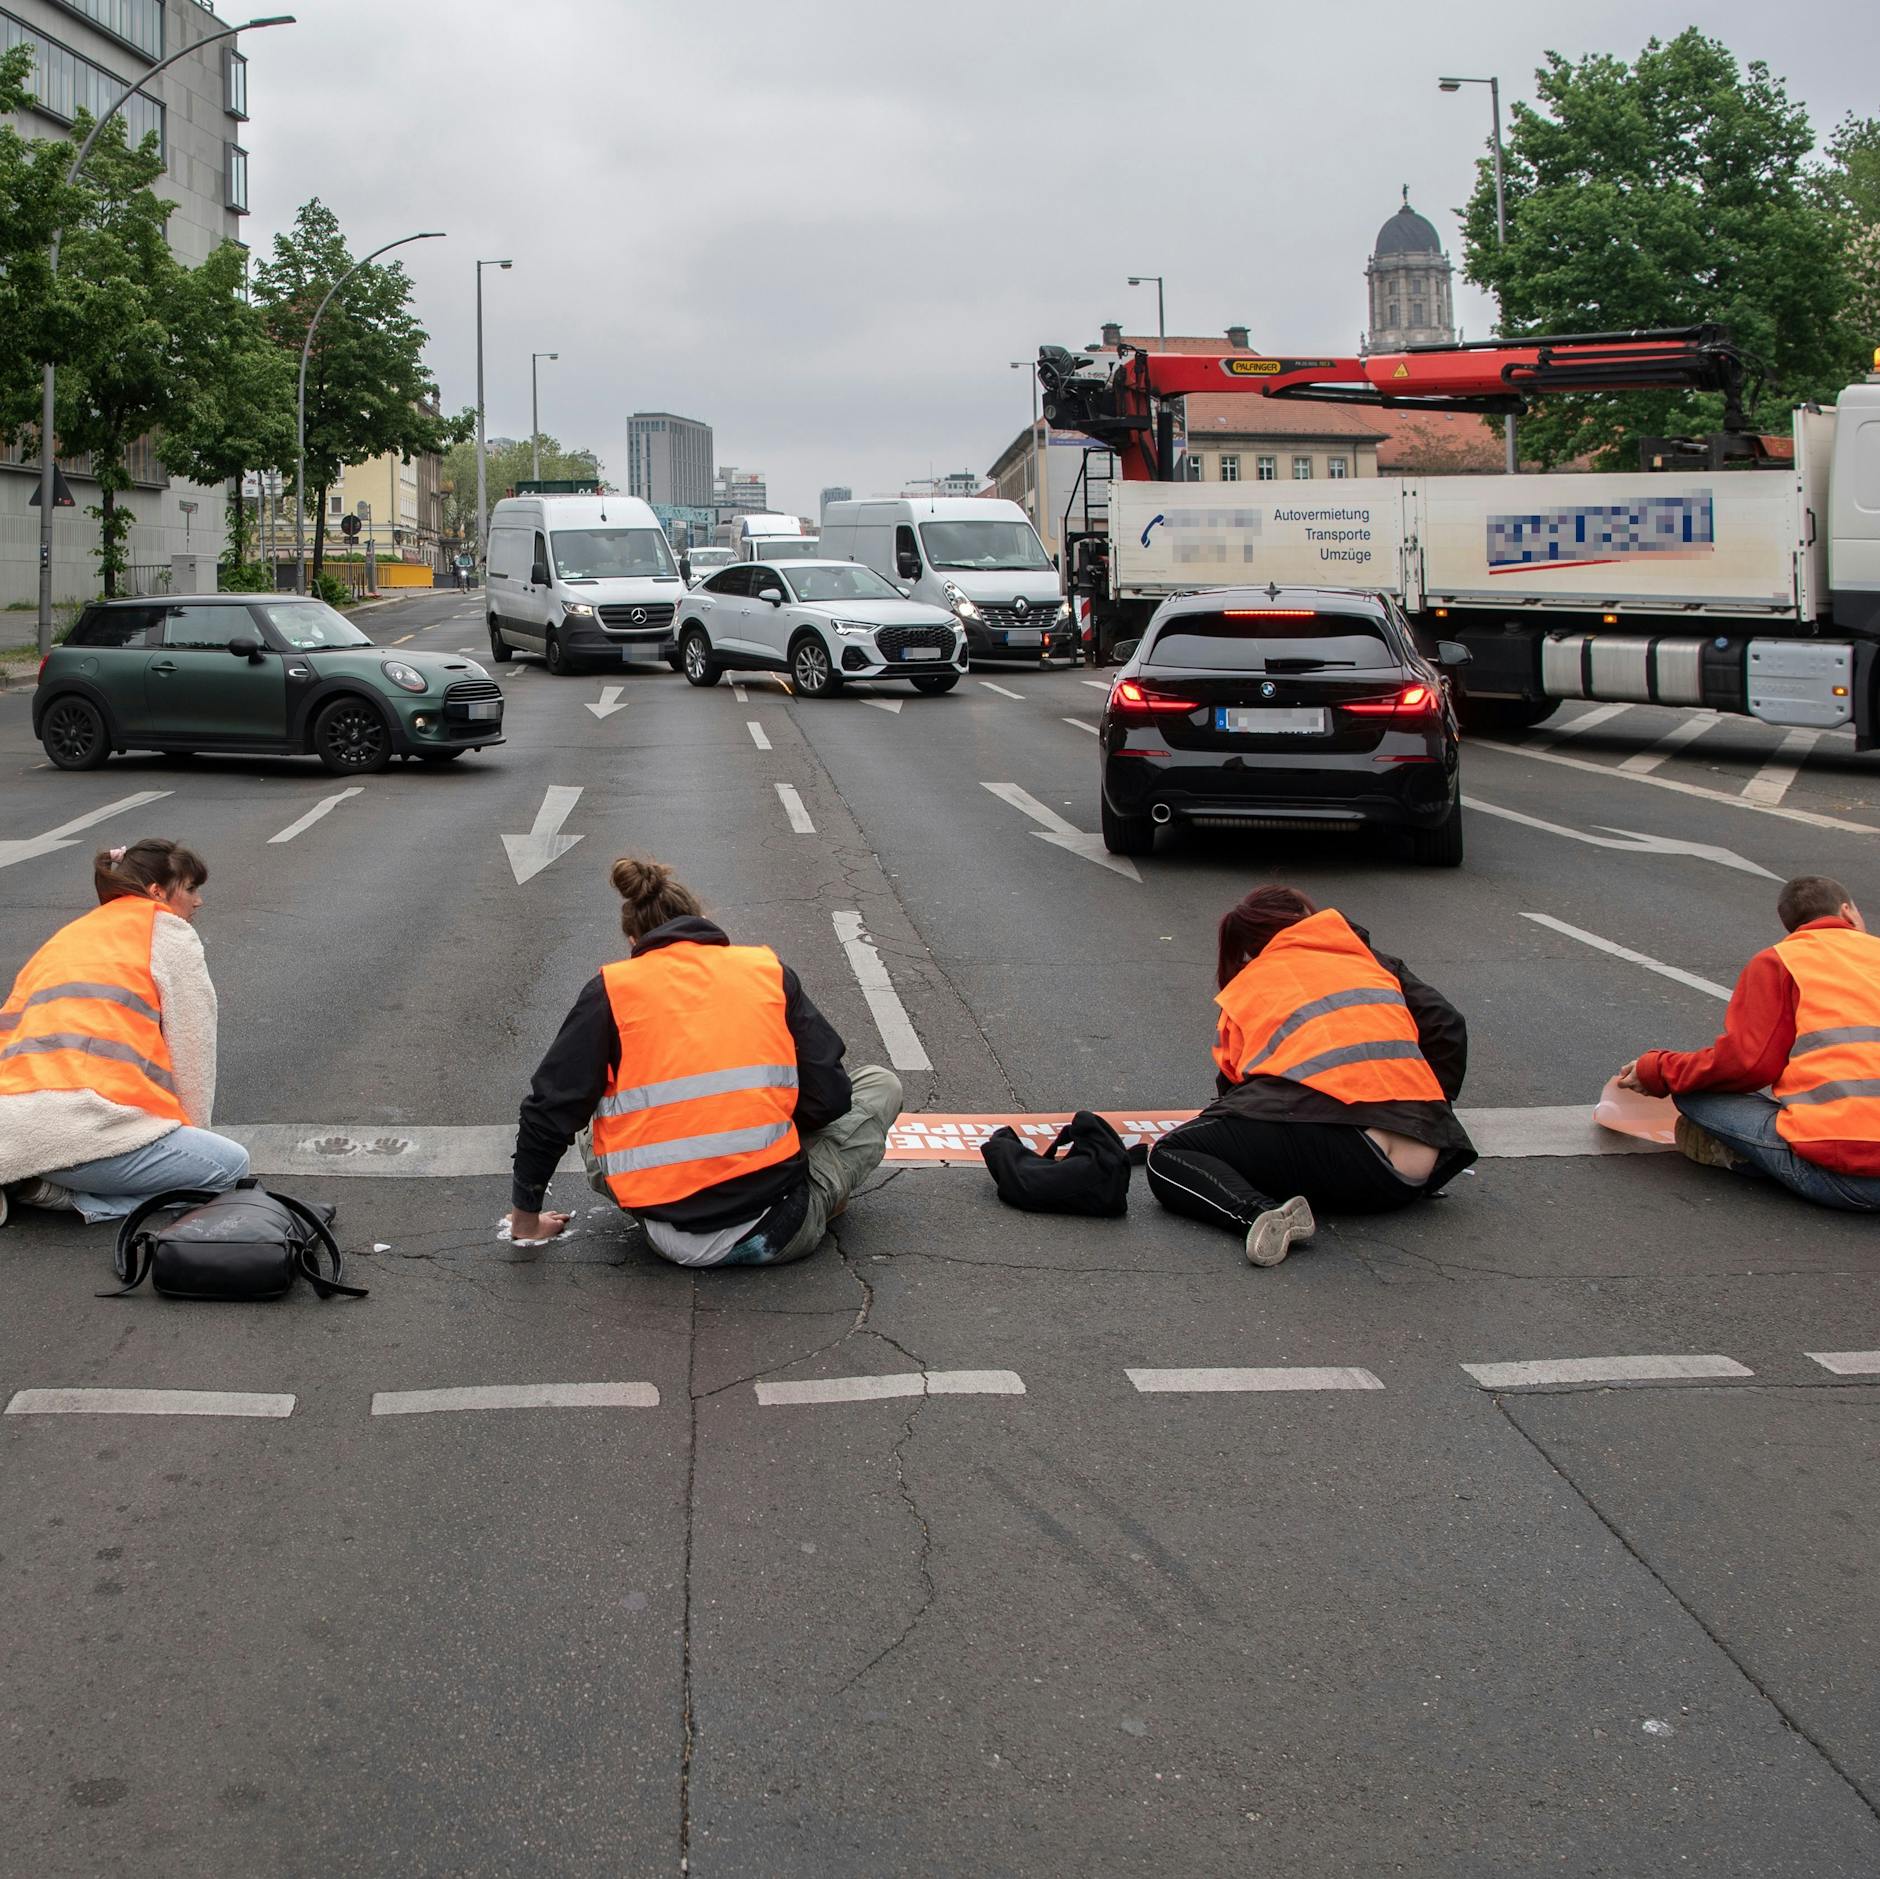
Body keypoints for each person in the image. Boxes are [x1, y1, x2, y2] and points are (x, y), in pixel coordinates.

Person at [507, 857, 903, 1265]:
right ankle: (824, 1198)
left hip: (666, 1235)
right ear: (701, 921)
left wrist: (526, 1222)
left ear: (633, 941)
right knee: (879, 1085)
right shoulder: (767, 972)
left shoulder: (611, 990)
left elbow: (549, 1109)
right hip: (776, 1228)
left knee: (598, 1119)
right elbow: (831, 1098)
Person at [1146, 886, 1476, 1265]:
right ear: (1309, 918)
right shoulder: (1370, 960)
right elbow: (1446, 1026)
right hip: (1415, 1170)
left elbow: (1238, 1092)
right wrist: (1429, 1113)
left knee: (1170, 1156)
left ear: (1252, 945)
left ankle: (1256, 1215)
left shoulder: (1251, 983)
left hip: (1345, 1157)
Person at [0, 839, 249, 1229]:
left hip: (9, 1130)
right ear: (156, 892)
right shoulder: (166, 933)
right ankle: (63, 1197)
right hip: (77, 1138)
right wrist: (193, 1137)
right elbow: (193, 1049)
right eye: (190, 888)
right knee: (227, 1167)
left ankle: (21, 1175)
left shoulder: (72, 934)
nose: (197, 901)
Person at [1617, 873, 1880, 1210]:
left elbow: (1747, 1065)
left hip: (1843, 1177)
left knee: (1694, 1094)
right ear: (1850, 913)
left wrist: (1656, 1070)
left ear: (1792, 927)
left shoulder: (1781, 961)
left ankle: (1741, 1155)